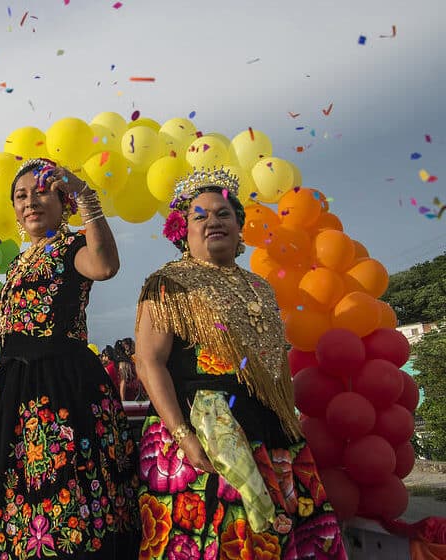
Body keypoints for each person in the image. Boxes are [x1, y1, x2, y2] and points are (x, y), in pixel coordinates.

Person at [133, 168, 347, 559]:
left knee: (281, 539)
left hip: (268, 428)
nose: (213, 221)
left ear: (238, 225)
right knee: (224, 540)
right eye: (200, 215)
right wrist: (185, 436)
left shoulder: (260, 287)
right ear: (183, 229)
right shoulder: (169, 283)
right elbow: (149, 363)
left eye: (223, 214)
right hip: (203, 432)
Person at [0, 157, 140, 559]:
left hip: (63, 388)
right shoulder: (19, 262)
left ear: (63, 201)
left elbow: (106, 265)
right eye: (20, 196)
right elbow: (20, 323)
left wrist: (87, 195)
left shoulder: (73, 245)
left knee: (69, 500)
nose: (29, 201)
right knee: (20, 504)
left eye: (40, 192)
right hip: (16, 394)